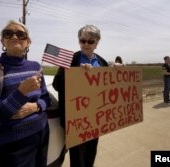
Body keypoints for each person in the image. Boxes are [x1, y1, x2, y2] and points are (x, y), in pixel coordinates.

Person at [0, 20, 50, 167]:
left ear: (28, 42)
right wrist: (20, 93)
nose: (14, 37)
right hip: (14, 146)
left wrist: (35, 107)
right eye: (8, 33)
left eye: (20, 34)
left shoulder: (35, 66)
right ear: (2, 40)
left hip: (42, 133)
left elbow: (46, 99)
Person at [52, 25, 108, 167]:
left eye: (90, 41)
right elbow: (56, 84)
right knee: (77, 158)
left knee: (91, 154)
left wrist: (118, 71)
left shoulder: (102, 62)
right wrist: (76, 74)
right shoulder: (70, 59)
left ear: (97, 43)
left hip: (96, 117)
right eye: (82, 41)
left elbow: (109, 88)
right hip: (76, 120)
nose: (86, 44)